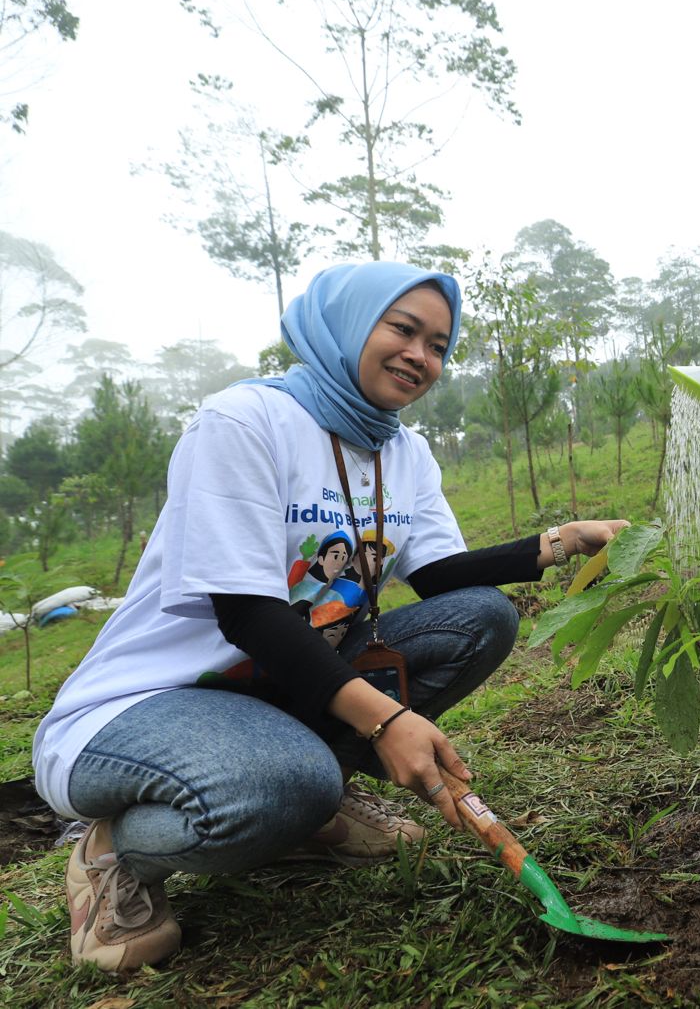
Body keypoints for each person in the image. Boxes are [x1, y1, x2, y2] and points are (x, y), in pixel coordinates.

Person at [32, 261, 628, 971]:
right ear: (346, 326)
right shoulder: (245, 422)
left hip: (274, 695)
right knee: (294, 780)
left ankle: (305, 803)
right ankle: (113, 853)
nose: (420, 355)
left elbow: (435, 575)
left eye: (438, 343)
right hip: (146, 706)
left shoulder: (402, 448)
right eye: (402, 329)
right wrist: (384, 718)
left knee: (481, 617)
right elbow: (249, 614)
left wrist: (560, 541)